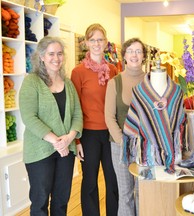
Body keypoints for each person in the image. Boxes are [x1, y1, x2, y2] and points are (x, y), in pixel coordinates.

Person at [19, 36, 83, 216]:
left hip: (65, 151)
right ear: (41, 56)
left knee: (62, 200)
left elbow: (77, 114)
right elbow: (29, 117)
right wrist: (56, 141)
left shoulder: (68, 84)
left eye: (60, 54)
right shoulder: (31, 82)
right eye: (51, 54)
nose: (56, 58)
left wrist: (70, 137)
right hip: (40, 151)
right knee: (40, 201)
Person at [71, 23, 118, 216]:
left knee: (113, 180)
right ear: (86, 43)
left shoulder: (114, 70)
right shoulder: (78, 72)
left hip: (111, 133)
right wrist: (77, 140)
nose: (97, 43)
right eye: (92, 40)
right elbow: (74, 108)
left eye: (100, 39)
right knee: (89, 181)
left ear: (106, 42)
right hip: (88, 134)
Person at [105, 38, 147, 216]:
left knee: (143, 192)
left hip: (146, 147)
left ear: (144, 56)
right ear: (124, 56)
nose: (134, 55)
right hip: (120, 145)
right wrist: (123, 141)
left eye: (138, 51)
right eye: (130, 51)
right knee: (126, 194)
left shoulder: (152, 80)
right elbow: (109, 116)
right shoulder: (115, 82)